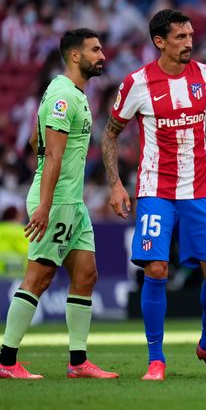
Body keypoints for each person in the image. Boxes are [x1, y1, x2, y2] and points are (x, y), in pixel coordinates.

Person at [102, 9, 206, 381]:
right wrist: (116, 183)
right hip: (155, 190)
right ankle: (156, 359)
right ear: (159, 42)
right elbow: (110, 133)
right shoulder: (138, 83)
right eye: (180, 38)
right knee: (157, 267)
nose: (189, 43)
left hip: (199, 190)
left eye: (191, 36)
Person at [0, 29, 118, 379]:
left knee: (86, 275)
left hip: (72, 202)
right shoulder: (64, 96)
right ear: (75, 56)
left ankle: (78, 361)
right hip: (57, 201)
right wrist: (45, 205)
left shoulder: (69, 93)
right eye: (95, 49)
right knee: (39, 276)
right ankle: (6, 361)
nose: (103, 55)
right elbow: (51, 153)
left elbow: (37, 137)